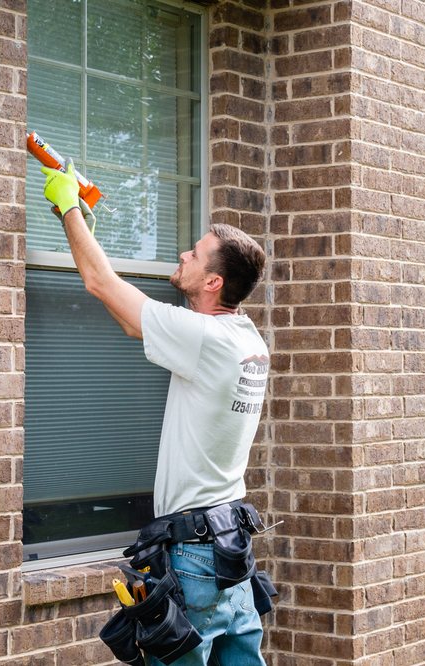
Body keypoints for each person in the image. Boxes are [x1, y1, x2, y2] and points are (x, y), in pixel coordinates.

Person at [42, 162, 271, 666]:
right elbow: (133, 326)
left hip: (195, 557)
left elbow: (101, 283)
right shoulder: (247, 339)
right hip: (230, 549)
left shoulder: (206, 339)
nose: (183, 254)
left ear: (213, 281)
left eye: (195, 253)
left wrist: (67, 208)